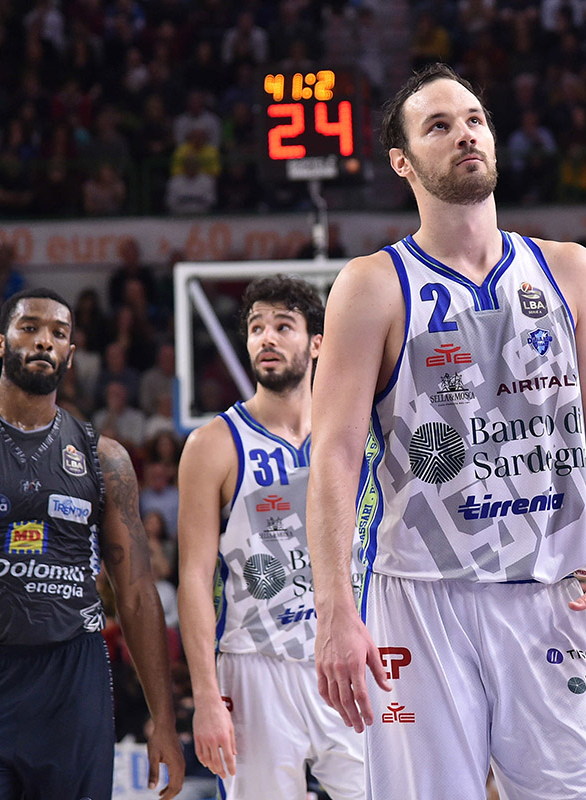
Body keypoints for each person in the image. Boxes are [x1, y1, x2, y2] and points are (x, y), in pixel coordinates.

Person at [306, 63, 586, 799]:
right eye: (438, 126)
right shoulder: (372, 285)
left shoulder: (570, 271)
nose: (464, 134)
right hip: (419, 599)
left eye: (474, 119)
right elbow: (332, 454)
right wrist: (334, 609)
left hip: (552, 592)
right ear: (402, 162)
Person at [0, 288, 184, 799]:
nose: (44, 341)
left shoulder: (105, 458)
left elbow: (135, 594)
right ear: (1, 343)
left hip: (73, 683)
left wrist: (164, 722)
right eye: (30, 328)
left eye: (58, 334)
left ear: (70, 353)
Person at [178, 275, 364, 799]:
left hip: (343, 654)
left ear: (317, 343)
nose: (267, 338)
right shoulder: (212, 444)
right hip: (254, 666)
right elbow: (194, 577)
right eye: (257, 328)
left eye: (284, 326)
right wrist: (205, 696)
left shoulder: (355, 433)